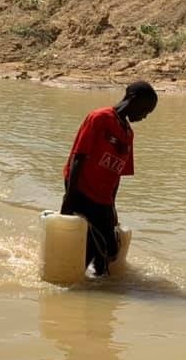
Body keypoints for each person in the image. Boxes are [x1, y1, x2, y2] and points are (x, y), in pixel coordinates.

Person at [61, 81, 158, 276]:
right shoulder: (99, 118)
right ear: (133, 99)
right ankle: (87, 294)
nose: (145, 116)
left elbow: (117, 175)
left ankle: (95, 285)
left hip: (103, 199)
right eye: (145, 110)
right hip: (82, 191)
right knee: (92, 249)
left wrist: (112, 209)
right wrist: (69, 199)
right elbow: (78, 158)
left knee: (111, 250)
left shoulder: (128, 133)